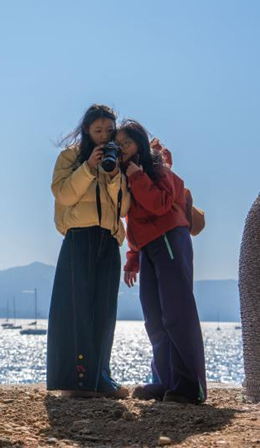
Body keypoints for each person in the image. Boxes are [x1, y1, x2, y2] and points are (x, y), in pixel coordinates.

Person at [116, 119, 208, 404]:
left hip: (169, 237)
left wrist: (137, 177)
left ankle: (190, 385)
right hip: (148, 247)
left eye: (126, 143)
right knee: (155, 317)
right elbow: (135, 218)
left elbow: (160, 204)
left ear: (139, 144)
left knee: (176, 313)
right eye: (116, 144)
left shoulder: (156, 168)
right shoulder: (127, 173)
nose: (121, 149)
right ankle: (164, 381)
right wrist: (133, 256)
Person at [47, 104, 131, 398]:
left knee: (103, 312)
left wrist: (112, 175)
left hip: (108, 240)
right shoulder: (69, 156)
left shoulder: (116, 160)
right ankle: (73, 382)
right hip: (78, 239)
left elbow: (125, 207)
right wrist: (88, 168)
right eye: (98, 131)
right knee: (75, 310)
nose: (103, 136)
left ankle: (100, 378)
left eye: (109, 130)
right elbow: (64, 194)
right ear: (86, 130)